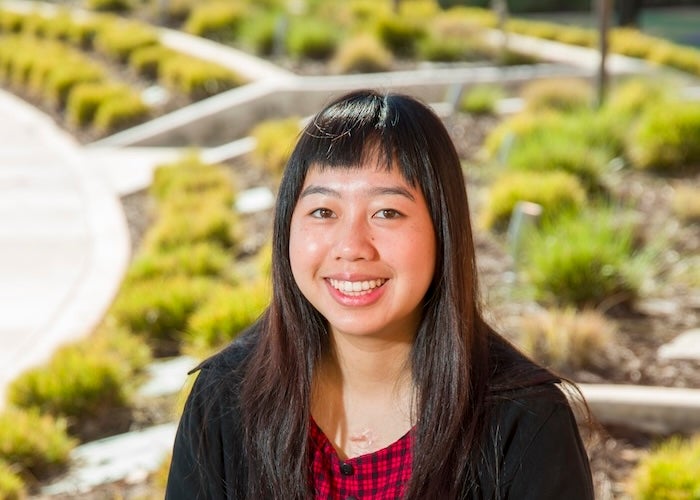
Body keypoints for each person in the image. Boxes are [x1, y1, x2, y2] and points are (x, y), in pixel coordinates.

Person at [165, 89, 594, 499]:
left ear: (443, 230)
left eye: (387, 212)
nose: (351, 247)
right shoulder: (224, 400)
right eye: (323, 211)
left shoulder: (526, 422)